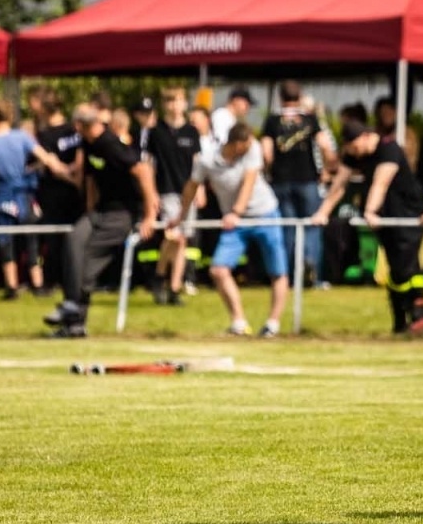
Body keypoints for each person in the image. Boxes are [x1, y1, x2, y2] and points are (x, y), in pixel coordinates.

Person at [313, 118, 423, 334]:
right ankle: (401, 322)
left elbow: (380, 183)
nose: (354, 153)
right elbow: (339, 185)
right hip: (385, 217)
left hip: (408, 214)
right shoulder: (355, 153)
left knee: (407, 266)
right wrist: (323, 212)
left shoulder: (389, 149)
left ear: (365, 136)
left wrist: (370, 211)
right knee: (397, 267)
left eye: (355, 147)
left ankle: (418, 317)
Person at [43, 105, 159, 338]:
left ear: (80, 126)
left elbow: (143, 171)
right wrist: (89, 210)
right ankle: (73, 317)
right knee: (73, 241)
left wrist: (149, 216)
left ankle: (74, 313)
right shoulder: (88, 143)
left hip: (122, 213)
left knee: (88, 262)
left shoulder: (110, 144)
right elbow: (90, 179)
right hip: (100, 211)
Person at [170, 122, 288, 337]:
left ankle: (273, 323)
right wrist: (180, 216)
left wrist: (236, 211)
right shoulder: (207, 159)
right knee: (218, 270)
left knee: (277, 271)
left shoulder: (253, 150)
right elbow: (191, 187)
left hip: (265, 214)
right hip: (235, 222)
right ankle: (239, 322)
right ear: (237, 144)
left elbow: (249, 182)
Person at [262, 81, 335, 286]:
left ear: (280, 97)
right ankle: (311, 267)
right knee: (313, 225)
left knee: (287, 228)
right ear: (300, 96)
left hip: (281, 182)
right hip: (308, 180)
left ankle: (289, 275)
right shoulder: (309, 119)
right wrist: (327, 171)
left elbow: (266, 153)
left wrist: (270, 171)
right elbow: (325, 147)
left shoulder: (272, 121)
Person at [0, 98, 40, 299]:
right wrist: (29, 171)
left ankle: (11, 286)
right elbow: (44, 158)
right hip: (24, 196)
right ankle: (38, 284)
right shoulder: (22, 137)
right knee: (32, 240)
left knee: (6, 242)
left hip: (1, 196)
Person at [151, 87, 202, 304]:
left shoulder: (192, 132)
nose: (174, 105)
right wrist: (152, 194)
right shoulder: (156, 132)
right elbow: (149, 165)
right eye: (170, 101)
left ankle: (172, 286)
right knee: (175, 237)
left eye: (178, 100)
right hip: (166, 191)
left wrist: (199, 190)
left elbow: (198, 163)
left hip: (188, 192)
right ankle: (161, 276)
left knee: (183, 241)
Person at [33, 94, 83, 297]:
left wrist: (66, 173)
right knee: (61, 239)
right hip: (66, 192)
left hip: (59, 193)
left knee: (56, 240)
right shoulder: (74, 131)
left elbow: (53, 165)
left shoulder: (47, 135)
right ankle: (61, 280)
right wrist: (73, 177)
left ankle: (56, 280)